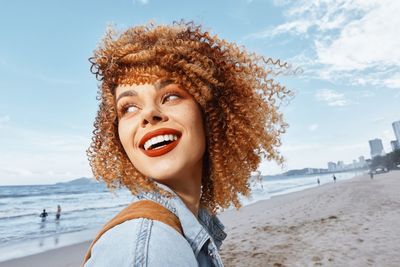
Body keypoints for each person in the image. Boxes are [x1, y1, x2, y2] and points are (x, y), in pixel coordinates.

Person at [83, 21, 291, 266]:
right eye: (129, 107)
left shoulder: (186, 227)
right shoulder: (147, 245)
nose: (149, 114)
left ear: (209, 113)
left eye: (170, 96)